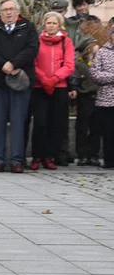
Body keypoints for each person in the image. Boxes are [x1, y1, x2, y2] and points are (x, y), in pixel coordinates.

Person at [0, 0, 38, 173]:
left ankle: (16, 160)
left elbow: (32, 49)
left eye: (11, 9)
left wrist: (13, 64)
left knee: (18, 122)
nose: (8, 13)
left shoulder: (27, 27)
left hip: (20, 81)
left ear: (17, 11)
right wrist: (3, 65)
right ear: (0, 13)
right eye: (5, 10)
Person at [30, 11, 75, 171]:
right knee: (40, 123)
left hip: (59, 88)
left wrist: (54, 79)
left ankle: (48, 156)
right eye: (48, 23)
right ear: (44, 24)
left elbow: (69, 65)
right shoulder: (36, 40)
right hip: (39, 87)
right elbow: (33, 63)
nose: (51, 25)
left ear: (59, 25)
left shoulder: (66, 42)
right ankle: (36, 156)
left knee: (55, 124)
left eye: (54, 23)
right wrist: (44, 79)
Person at [71, 34, 101, 166]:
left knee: (96, 128)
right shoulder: (79, 64)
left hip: (99, 97)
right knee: (82, 128)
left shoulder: (100, 61)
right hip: (85, 97)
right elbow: (75, 79)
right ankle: (82, 154)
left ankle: (93, 154)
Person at [91, 25, 114, 169]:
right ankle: (109, 160)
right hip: (106, 100)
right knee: (108, 132)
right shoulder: (102, 52)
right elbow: (95, 74)